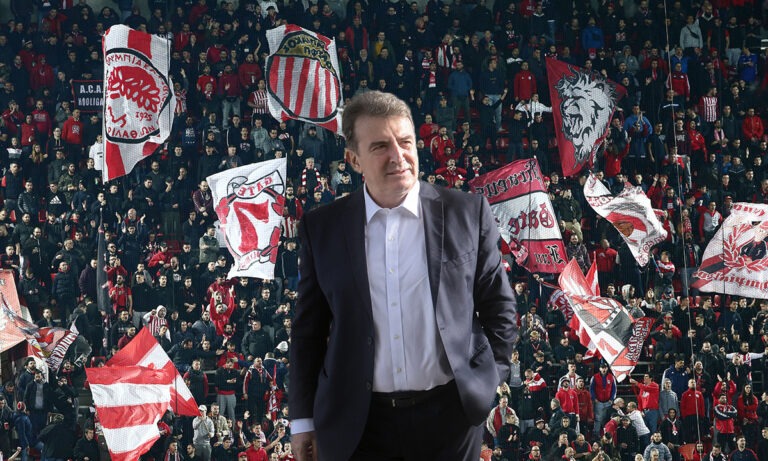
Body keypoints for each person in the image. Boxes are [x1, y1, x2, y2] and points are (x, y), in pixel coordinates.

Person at [290, 91, 519, 461]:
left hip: (450, 421)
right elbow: (308, 333)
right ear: (353, 159)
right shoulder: (322, 229)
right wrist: (302, 420)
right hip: (357, 425)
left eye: (405, 142)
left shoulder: (467, 212)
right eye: (380, 146)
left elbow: (499, 308)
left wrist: (489, 379)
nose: (398, 156)